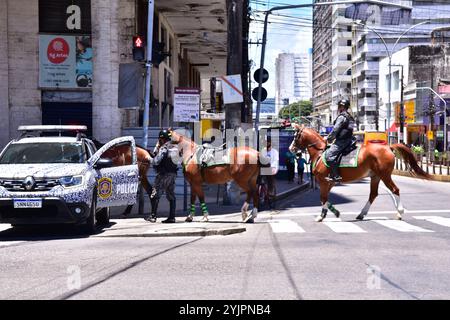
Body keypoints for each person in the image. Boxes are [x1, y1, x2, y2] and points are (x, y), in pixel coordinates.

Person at [145, 129, 179, 223]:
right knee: (171, 196)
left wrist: (149, 159)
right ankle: (172, 217)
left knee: (155, 194)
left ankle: (153, 216)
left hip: (163, 175)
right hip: (173, 175)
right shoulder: (175, 147)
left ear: (162, 139)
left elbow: (156, 161)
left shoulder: (164, 147)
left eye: (160, 140)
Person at [325, 98, 355, 182]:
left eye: (339, 106)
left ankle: (335, 175)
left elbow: (335, 129)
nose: (338, 108)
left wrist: (329, 138)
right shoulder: (350, 117)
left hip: (342, 141)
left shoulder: (342, 117)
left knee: (329, 155)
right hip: (350, 140)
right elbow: (351, 130)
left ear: (341, 107)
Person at [261, 138, 279, 207]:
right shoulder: (263, 151)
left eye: (268, 143)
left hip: (272, 168)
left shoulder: (275, 152)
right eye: (266, 143)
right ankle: (260, 192)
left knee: (270, 181)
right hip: (264, 168)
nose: (267, 145)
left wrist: (273, 168)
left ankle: (271, 192)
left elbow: (275, 161)